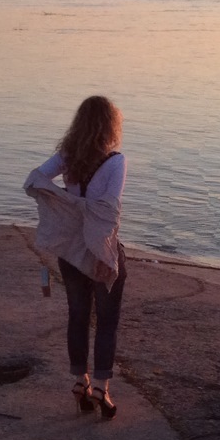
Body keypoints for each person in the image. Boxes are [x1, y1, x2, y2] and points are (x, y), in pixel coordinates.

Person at [24, 96, 128, 419]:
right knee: (107, 322)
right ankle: (100, 388)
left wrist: (67, 204)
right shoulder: (116, 162)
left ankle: (79, 381)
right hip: (102, 251)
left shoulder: (67, 156)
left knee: (78, 316)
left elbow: (36, 178)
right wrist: (84, 214)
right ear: (111, 125)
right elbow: (108, 211)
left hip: (71, 252)